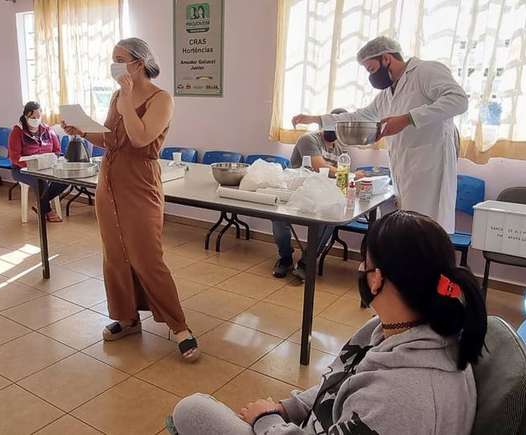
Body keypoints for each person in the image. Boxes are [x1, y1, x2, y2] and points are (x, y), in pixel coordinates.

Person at [172, 210, 488, 434]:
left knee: (191, 410)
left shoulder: (402, 401)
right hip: (310, 424)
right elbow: (335, 383)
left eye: (365, 262)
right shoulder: (394, 329)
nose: (360, 270)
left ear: (376, 279)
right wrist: (285, 409)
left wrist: (266, 421)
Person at [63, 38, 200, 362]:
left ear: (139, 63)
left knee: (147, 256)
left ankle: (179, 325)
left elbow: (140, 138)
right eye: (113, 58)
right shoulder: (116, 96)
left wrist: (126, 97)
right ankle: (127, 318)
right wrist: (82, 131)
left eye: (120, 59)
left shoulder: (161, 99)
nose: (114, 65)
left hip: (140, 182)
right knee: (116, 254)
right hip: (109, 181)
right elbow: (113, 138)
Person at [292, 36, 468, 233]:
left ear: (386, 59)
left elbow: (458, 100)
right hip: (405, 166)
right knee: (409, 229)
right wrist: (316, 119)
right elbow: (359, 116)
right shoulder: (386, 94)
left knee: (426, 230)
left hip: (430, 165)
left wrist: (407, 119)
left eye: (371, 69)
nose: (371, 76)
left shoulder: (426, 71)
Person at [272, 108, 348, 280]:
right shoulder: (308, 139)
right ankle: (285, 258)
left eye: (339, 127)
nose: (334, 131)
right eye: (332, 125)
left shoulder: (341, 151)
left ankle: (307, 262)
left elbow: (342, 176)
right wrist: (347, 174)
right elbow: (318, 165)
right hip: (295, 191)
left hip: (319, 195)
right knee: (278, 217)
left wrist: (347, 176)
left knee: (330, 218)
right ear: (324, 125)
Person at [8, 101, 68, 223]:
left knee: (65, 178)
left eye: (38, 117)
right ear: (25, 116)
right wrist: (32, 165)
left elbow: (57, 150)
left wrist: (50, 160)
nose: (35, 119)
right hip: (22, 169)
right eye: (32, 117)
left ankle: (39, 204)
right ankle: (47, 210)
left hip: (46, 167)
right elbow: (14, 157)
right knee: (41, 181)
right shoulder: (17, 131)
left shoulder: (47, 130)